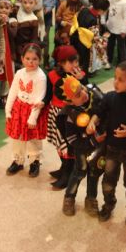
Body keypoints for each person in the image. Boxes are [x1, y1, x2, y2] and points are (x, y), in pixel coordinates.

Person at [86, 61, 126, 224]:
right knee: (108, 181)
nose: (115, 82)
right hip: (111, 149)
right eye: (115, 78)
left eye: (121, 79)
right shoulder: (110, 97)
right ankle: (108, 204)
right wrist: (93, 122)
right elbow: (99, 113)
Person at [59, 76, 106, 217]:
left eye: (82, 89)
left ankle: (91, 198)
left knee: (95, 172)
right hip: (82, 146)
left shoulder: (95, 96)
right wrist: (90, 142)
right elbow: (72, 139)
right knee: (80, 171)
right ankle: (69, 197)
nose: (84, 94)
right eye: (78, 95)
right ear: (69, 101)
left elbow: (105, 109)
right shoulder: (70, 116)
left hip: (99, 145)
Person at [4, 43, 47, 177]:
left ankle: (35, 161)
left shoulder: (40, 77)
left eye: (34, 59)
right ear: (22, 59)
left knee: (32, 139)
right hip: (18, 109)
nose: (30, 62)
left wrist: (32, 118)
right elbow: (13, 91)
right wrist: (8, 109)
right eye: (27, 58)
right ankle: (18, 160)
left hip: (32, 112)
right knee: (17, 138)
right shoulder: (19, 73)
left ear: (39, 60)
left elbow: (38, 98)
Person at [47, 46, 87, 188]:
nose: (75, 65)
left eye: (76, 62)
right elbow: (50, 93)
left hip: (70, 113)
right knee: (59, 143)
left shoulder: (78, 75)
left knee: (68, 143)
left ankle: (68, 173)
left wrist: (80, 80)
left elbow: (85, 94)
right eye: (71, 62)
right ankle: (64, 168)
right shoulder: (52, 75)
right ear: (61, 63)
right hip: (55, 112)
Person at [8, 0, 40, 65]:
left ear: (35, 3)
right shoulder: (16, 11)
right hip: (13, 45)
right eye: (25, 2)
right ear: (21, 1)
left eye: (31, 3)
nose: (27, 5)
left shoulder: (34, 19)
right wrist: (12, 20)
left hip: (25, 48)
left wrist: (30, 52)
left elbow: (34, 39)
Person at [105, 0, 126, 65]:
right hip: (111, 27)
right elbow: (105, 12)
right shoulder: (109, 0)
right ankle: (108, 60)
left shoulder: (124, 2)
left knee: (121, 47)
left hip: (120, 29)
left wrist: (124, 30)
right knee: (110, 45)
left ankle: (124, 63)